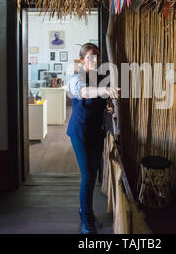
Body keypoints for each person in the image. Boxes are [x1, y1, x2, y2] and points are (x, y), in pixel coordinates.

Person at [66, 43, 120, 234]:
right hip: (80, 133)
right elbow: (84, 92)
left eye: (97, 56)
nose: (95, 60)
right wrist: (102, 91)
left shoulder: (99, 78)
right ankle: (85, 218)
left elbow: (100, 102)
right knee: (88, 175)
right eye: (90, 57)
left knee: (93, 174)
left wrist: (108, 107)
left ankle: (87, 212)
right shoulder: (75, 79)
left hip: (97, 132)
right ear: (82, 60)